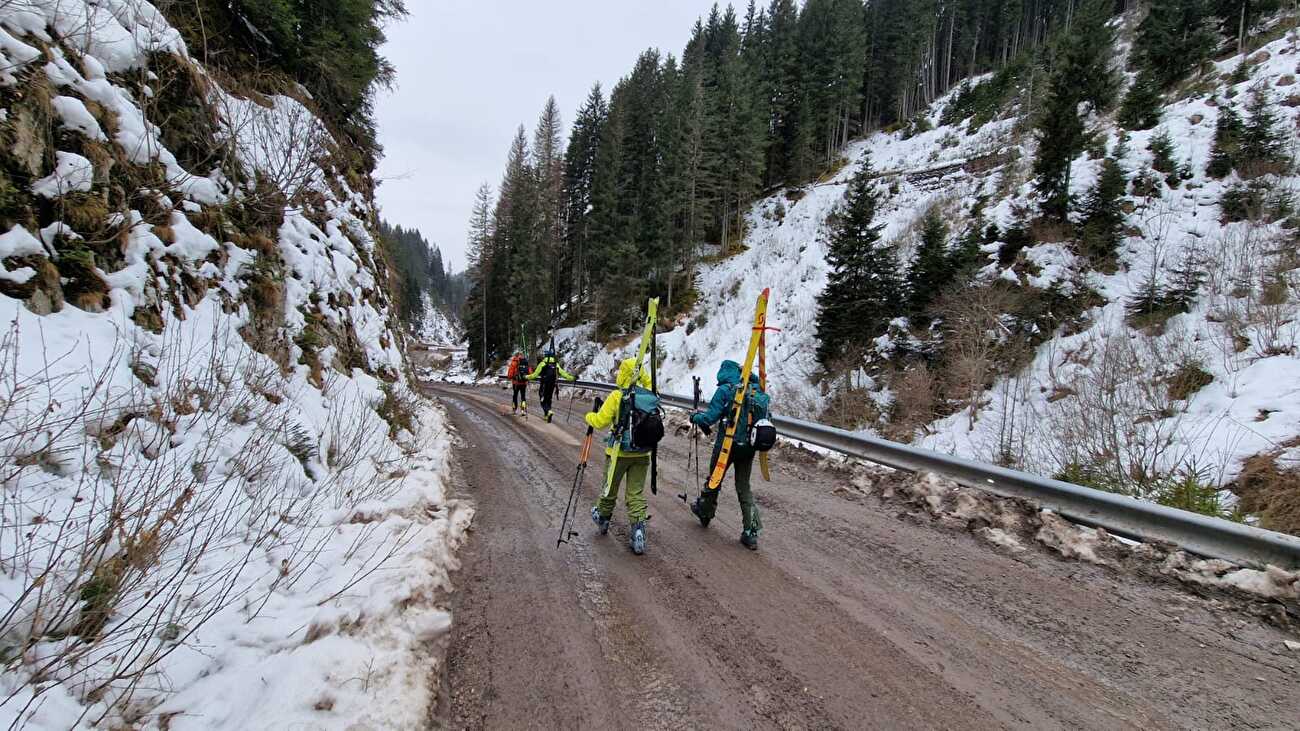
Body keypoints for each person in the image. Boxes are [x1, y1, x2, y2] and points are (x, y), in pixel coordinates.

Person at [690, 360, 764, 550]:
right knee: (744, 487)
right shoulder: (754, 389)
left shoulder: (725, 390)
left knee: (715, 479)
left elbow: (709, 418)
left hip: (726, 445)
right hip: (748, 446)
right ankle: (751, 532)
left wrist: (695, 417)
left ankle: (705, 512)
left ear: (724, 372)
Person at [586, 356, 653, 555]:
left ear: (623, 373)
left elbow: (599, 421)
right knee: (635, 494)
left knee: (609, 488)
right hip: (642, 453)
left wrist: (589, 416)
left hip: (618, 452)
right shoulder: (649, 396)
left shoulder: (617, 396)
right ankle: (638, 531)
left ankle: (603, 519)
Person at [525, 348, 576, 422]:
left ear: (546, 356)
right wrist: (572, 378)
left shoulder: (543, 363)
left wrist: (526, 376)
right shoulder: (556, 364)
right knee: (548, 399)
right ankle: (546, 416)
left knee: (542, 399)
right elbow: (564, 374)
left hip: (544, 384)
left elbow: (535, 375)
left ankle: (548, 411)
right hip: (552, 385)